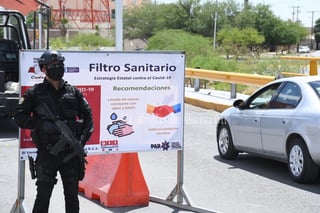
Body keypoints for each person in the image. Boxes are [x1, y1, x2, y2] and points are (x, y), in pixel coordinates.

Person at [14, 50, 94, 213]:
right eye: (53, 65)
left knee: (72, 196)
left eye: (60, 64)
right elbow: (19, 117)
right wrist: (41, 124)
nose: (58, 68)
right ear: (44, 69)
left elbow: (88, 116)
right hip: (47, 153)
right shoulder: (34, 93)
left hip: (71, 154)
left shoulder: (73, 92)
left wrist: (81, 141)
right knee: (43, 196)